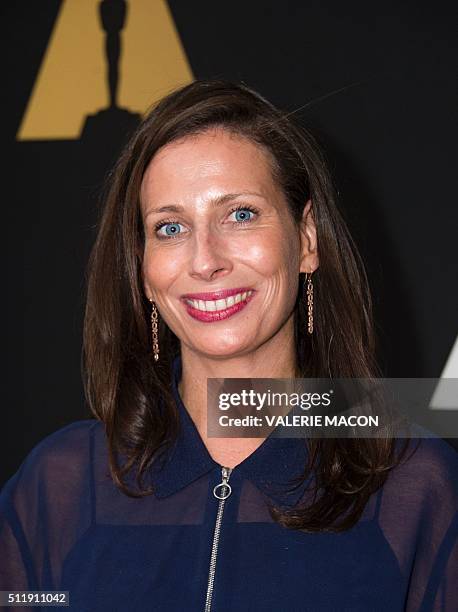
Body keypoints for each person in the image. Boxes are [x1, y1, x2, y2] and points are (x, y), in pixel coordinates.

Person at [1, 79, 457, 612]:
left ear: (306, 239)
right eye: (170, 228)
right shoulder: (59, 486)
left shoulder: (415, 484)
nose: (204, 259)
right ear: (145, 273)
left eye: (240, 214)